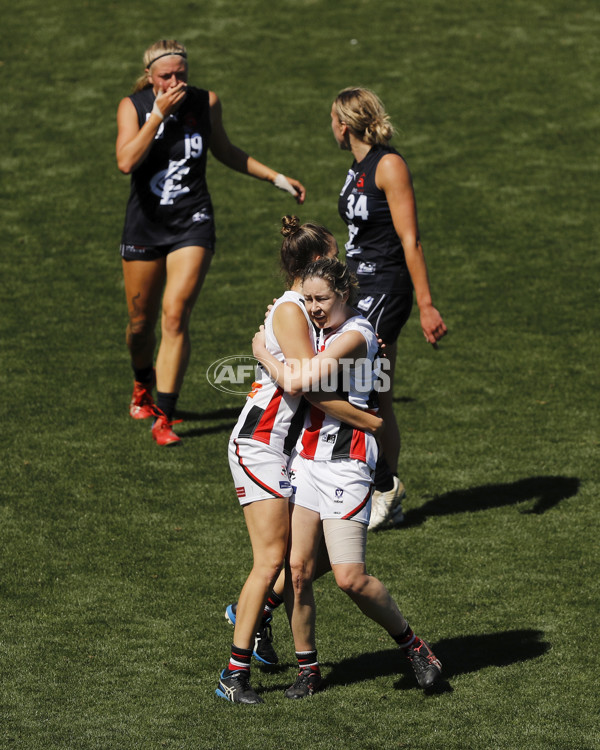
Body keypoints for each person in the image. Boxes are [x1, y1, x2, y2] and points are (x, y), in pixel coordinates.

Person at [251, 257, 443, 699]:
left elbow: (301, 382)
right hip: (306, 459)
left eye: (322, 299)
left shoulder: (356, 335)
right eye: (308, 299)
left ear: (344, 295)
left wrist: (262, 351)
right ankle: (308, 670)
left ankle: (415, 647)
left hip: (348, 462)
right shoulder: (318, 329)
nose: (314, 308)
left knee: (349, 577)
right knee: (297, 570)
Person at [216, 218, 383, 704]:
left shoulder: (302, 313)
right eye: (331, 259)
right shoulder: (293, 312)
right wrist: (367, 421)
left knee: (305, 561)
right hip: (260, 444)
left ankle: (258, 616)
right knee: (271, 560)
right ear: (313, 267)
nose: (338, 266)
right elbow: (305, 387)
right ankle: (233, 673)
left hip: (281, 447)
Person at [116, 39, 306, 446]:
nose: (174, 82)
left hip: (192, 223)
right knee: (139, 325)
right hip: (145, 227)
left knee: (175, 314)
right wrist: (156, 117)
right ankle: (141, 383)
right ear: (150, 77)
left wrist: (277, 178)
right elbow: (126, 161)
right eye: (165, 76)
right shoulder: (132, 107)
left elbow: (224, 150)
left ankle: (164, 416)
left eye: (180, 74)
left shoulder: (205, 102)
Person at [331, 87, 447, 527]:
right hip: (358, 288)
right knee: (377, 391)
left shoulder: (389, 165)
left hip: (387, 290)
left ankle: (380, 486)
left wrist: (427, 305)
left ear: (343, 124)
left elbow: (410, 239)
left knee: (355, 387)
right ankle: (386, 490)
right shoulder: (356, 169)